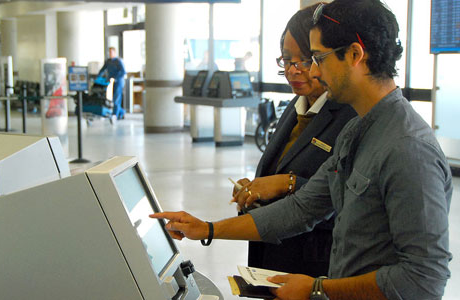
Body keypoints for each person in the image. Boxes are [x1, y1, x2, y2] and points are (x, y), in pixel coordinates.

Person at [151, 0, 452, 299]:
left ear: (355, 54)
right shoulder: (356, 131)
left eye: (318, 58)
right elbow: (303, 208)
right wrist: (207, 229)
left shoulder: (408, 149)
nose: (314, 73)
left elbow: (423, 278)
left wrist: (318, 289)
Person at [234, 3, 356, 278]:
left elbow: (351, 201)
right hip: (272, 254)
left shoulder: (351, 115)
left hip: (314, 265)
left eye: (305, 60)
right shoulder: (295, 106)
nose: (294, 70)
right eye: (287, 60)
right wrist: (255, 190)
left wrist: (287, 186)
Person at [97, 47, 126, 119]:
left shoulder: (118, 61)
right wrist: (98, 77)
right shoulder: (108, 61)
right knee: (114, 98)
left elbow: (123, 72)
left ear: (114, 53)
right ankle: (121, 113)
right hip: (111, 81)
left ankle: (114, 115)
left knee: (116, 98)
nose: (110, 53)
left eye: (111, 52)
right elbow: (103, 69)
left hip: (118, 82)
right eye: (109, 52)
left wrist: (115, 78)